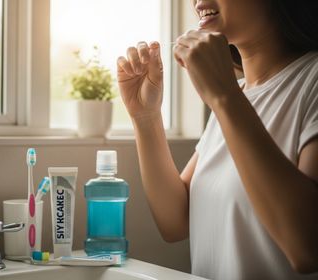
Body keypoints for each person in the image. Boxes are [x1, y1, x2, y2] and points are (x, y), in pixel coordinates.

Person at [116, 0, 318, 279]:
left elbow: (307, 248)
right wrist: (146, 117)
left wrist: (224, 97)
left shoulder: (309, 82)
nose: (198, 1)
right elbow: (176, 221)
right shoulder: (236, 94)